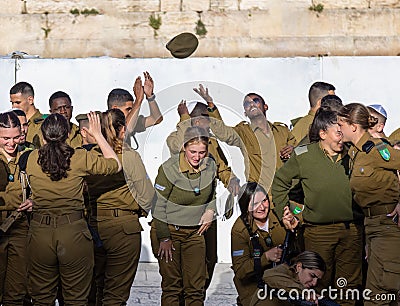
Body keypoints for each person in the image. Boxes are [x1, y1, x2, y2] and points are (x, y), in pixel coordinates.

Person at [24, 112, 121, 305]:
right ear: (68, 133)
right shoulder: (79, 157)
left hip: (40, 232)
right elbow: (115, 165)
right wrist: (98, 134)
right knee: (76, 298)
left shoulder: (32, 159)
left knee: (42, 298)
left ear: (43, 136)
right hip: (73, 232)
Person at [272, 108, 363, 305]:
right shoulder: (304, 155)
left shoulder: (354, 153)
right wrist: (285, 213)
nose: (343, 136)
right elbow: (279, 183)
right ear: (323, 133)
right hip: (318, 233)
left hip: (352, 232)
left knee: (348, 288)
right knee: (317, 286)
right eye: (338, 131)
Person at [166, 100, 240, 291]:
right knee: (184, 266)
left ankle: (197, 297)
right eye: (207, 119)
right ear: (198, 121)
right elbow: (175, 148)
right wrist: (184, 118)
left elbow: (222, 168)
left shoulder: (211, 143)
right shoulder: (177, 137)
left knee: (209, 260)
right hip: (184, 213)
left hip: (207, 209)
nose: (211, 123)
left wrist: (231, 180)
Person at [85, 109, 155, 305]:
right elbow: (147, 196)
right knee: (116, 292)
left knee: (96, 288)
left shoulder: (91, 155)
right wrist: (137, 210)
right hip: (123, 229)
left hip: (93, 224)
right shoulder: (128, 156)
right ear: (122, 129)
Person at [338, 103, 400, 306]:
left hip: (388, 227)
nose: (339, 129)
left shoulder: (377, 149)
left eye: (341, 124)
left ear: (353, 126)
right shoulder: (356, 153)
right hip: (372, 226)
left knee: (378, 296)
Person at [151, 126, 217, 305]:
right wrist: (164, 238)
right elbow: (157, 207)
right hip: (169, 230)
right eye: (192, 151)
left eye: (202, 152)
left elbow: (212, 194)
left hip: (195, 233)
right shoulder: (169, 169)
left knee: (196, 288)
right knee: (172, 287)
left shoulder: (210, 166)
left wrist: (211, 210)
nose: (197, 157)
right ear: (184, 148)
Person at [197, 84, 296, 191]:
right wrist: (210, 104)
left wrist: (293, 149)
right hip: (261, 198)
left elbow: (302, 149)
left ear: (265, 106)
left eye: (256, 101)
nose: (252, 104)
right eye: (247, 104)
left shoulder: (282, 131)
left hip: (286, 194)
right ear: (245, 113)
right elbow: (223, 133)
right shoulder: (243, 132)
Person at [231, 182, 290, 306]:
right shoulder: (239, 231)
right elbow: (241, 271)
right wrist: (265, 258)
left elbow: (299, 209)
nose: (262, 207)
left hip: (284, 277)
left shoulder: (278, 212)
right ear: (245, 206)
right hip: (255, 284)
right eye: (255, 204)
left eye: (264, 201)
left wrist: (293, 218)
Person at [0, 111, 33, 305]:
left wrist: (33, 201)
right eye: (5, 138)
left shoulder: (29, 157)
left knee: (16, 292)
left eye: (15, 138)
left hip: (21, 229)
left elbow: (43, 187)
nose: (11, 144)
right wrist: (16, 198)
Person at [250, 251, 326, 306]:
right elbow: (268, 276)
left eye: (318, 279)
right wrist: (305, 292)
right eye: (312, 276)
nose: (314, 283)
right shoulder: (284, 270)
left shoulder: (308, 289)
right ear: (299, 267)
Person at [107, 72, 163, 140]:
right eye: (128, 109)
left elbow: (156, 119)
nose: (132, 112)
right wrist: (138, 101)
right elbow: (127, 129)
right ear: (115, 109)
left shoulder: (131, 121)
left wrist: (150, 97)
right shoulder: (102, 124)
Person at [10, 81, 45, 148]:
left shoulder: (45, 124)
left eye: (18, 102)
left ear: (30, 100)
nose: (14, 107)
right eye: (12, 103)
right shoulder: (11, 123)